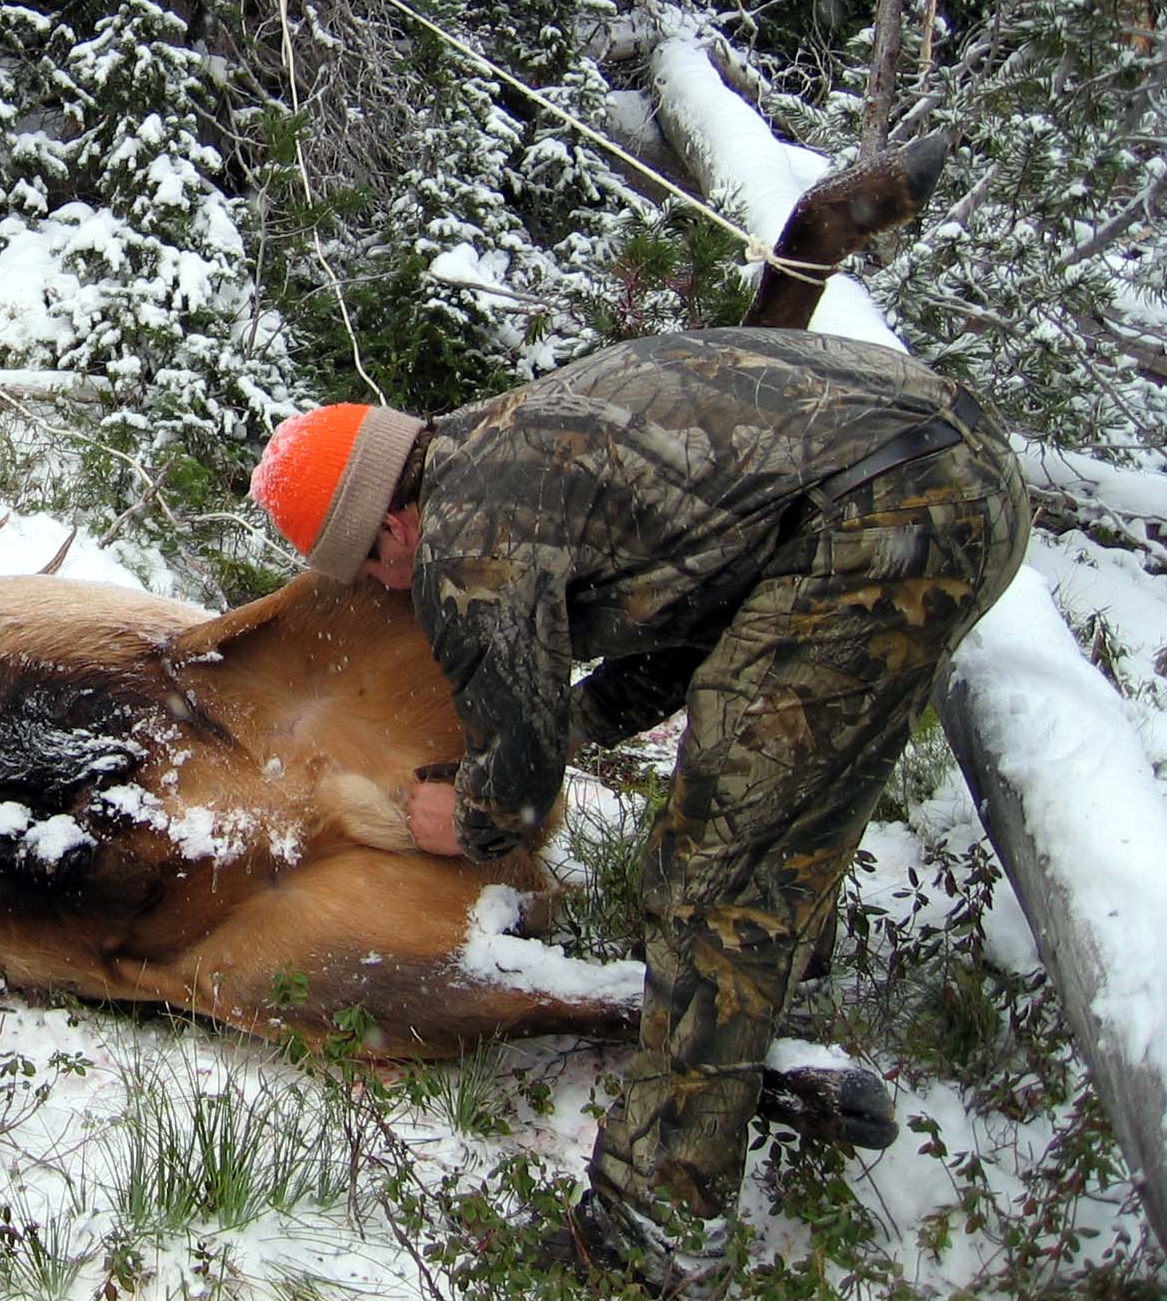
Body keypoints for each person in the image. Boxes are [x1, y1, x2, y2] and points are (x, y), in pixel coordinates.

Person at [250, 327, 1028, 1294]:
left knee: (709, 884)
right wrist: (560, 727)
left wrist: (472, 817)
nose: (378, 587)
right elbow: (694, 624)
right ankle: (776, 995)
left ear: (391, 526)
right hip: (959, 465)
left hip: (883, 521)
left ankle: (646, 1229)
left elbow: (517, 789)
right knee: (782, 780)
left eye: (365, 566)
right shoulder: (501, 444)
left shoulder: (463, 546)